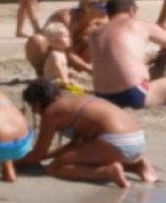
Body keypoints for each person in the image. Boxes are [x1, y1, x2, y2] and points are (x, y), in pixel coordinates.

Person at [19, 79, 158, 188]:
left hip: (116, 141)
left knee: (56, 167)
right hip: (137, 139)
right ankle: (136, 166)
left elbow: (37, 155)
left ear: (36, 104)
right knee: (71, 158)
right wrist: (50, 154)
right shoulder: (77, 100)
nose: (35, 111)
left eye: (32, 107)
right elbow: (78, 145)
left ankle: (108, 172)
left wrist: (8, 160)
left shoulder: (52, 112)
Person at [89, 0, 166, 108]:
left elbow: (117, 60)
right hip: (132, 95)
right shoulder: (139, 25)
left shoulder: (95, 33)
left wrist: (150, 58)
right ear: (131, 10)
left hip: (101, 97)